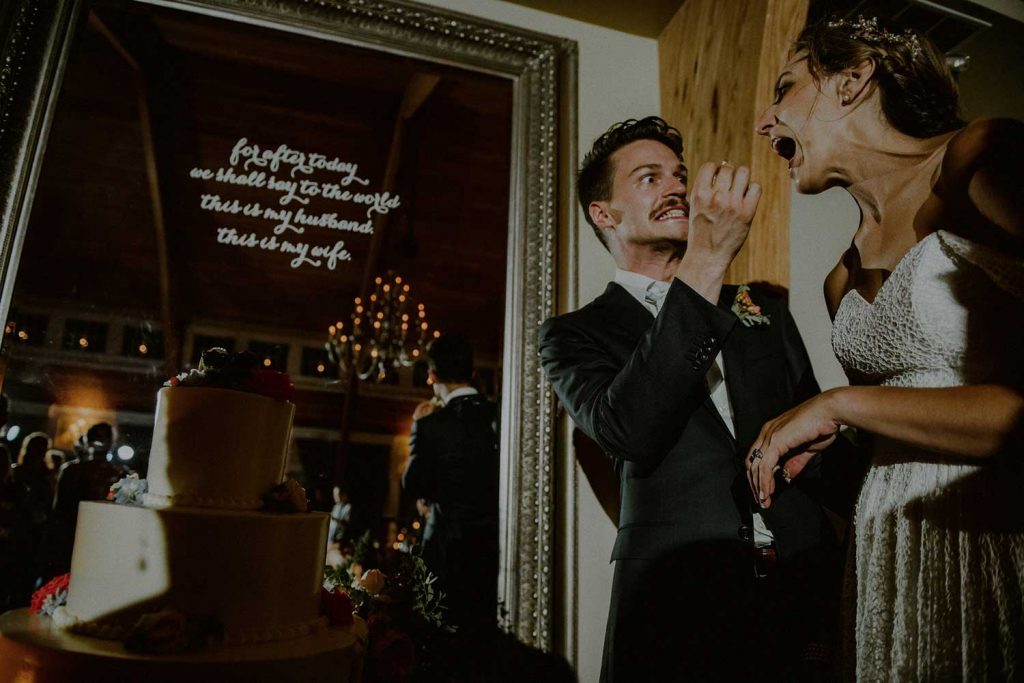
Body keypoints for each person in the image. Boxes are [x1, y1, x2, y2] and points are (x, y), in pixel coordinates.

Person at [752, 16, 1024, 680]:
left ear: (851, 80)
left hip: (994, 534)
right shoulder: (839, 280)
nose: (765, 122)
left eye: (785, 87)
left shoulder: (977, 156)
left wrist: (841, 402)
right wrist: (838, 435)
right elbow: (892, 427)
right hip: (889, 556)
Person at [539, 116, 845, 683]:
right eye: (650, 178)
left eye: (679, 175)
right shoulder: (572, 335)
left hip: (801, 588)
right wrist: (706, 260)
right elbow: (630, 431)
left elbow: (815, 438)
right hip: (675, 602)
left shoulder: (763, 309)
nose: (677, 187)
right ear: (604, 213)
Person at [402, 334, 500, 632]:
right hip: (493, 550)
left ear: (431, 376)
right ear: (472, 373)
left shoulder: (431, 424)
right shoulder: (501, 416)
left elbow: (413, 483)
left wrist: (417, 433)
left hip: (444, 552)